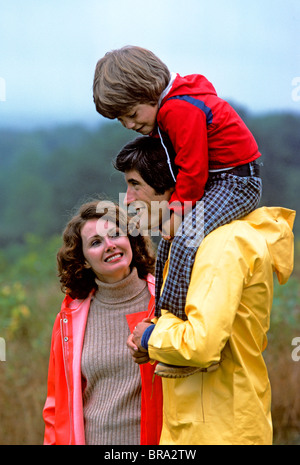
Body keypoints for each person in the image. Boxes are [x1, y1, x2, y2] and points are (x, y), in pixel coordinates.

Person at [114, 136, 295, 445]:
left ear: (171, 186)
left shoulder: (220, 245)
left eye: (135, 185)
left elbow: (201, 344)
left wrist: (148, 337)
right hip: (197, 429)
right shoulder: (190, 243)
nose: (126, 198)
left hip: (222, 432)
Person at [93, 46, 262, 377]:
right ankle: (161, 326)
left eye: (131, 113)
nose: (128, 124)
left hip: (235, 182)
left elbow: (194, 171)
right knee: (169, 243)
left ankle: (180, 338)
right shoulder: (172, 104)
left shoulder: (176, 110)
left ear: (149, 91)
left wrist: (175, 213)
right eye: (121, 120)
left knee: (185, 237)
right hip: (218, 180)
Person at [43, 199, 162, 445]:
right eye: (96, 243)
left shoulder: (165, 301)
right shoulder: (68, 320)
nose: (109, 245)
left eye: (115, 235)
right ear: (84, 260)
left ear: (130, 239)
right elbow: (55, 408)